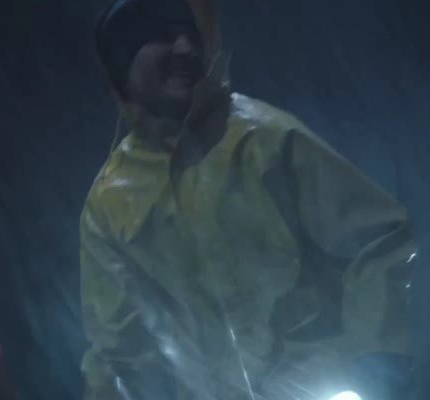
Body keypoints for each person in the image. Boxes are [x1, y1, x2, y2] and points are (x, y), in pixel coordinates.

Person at [79, 0, 418, 399]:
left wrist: (378, 356)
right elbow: (118, 352)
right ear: (123, 64)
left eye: (190, 35)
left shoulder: (266, 139)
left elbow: (377, 242)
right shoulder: (109, 204)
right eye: (163, 36)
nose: (185, 49)